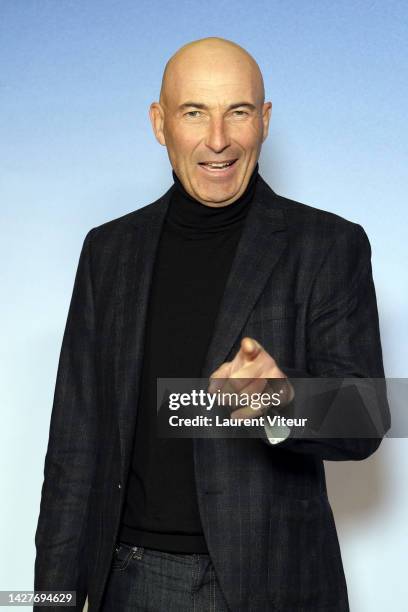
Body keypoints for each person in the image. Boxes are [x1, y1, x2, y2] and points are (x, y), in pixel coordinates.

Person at [34, 37, 390, 611]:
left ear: (265, 120)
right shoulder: (109, 252)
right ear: (159, 122)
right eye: (194, 112)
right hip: (132, 580)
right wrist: (49, 598)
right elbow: (75, 447)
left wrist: (282, 401)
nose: (218, 139)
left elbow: (368, 415)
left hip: (277, 582)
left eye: (239, 112)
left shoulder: (328, 246)